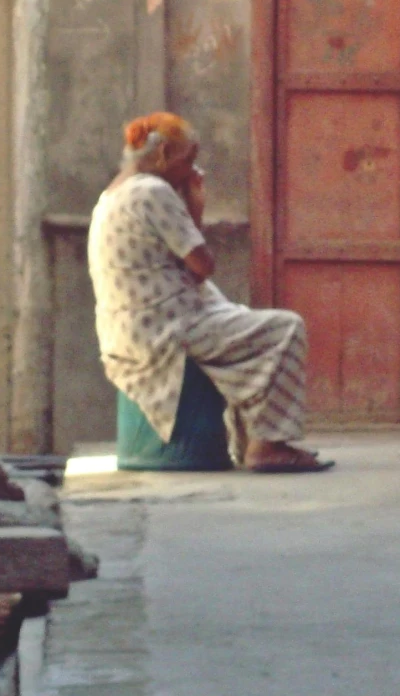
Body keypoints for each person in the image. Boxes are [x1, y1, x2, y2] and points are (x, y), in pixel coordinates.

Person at [87, 111, 330, 473]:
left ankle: (255, 438)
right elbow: (202, 264)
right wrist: (196, 205)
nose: (193, 171)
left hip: (134, 329)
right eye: (189, 160)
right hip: (166, 333)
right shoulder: (152, 191)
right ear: (165, 154)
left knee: (243, 320)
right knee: (286, 327)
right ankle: (268, 445)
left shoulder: (112, 194)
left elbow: (188, 267)